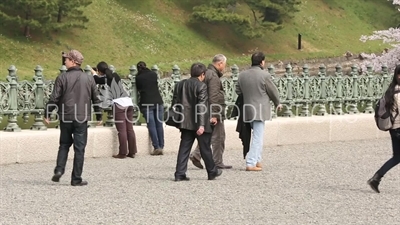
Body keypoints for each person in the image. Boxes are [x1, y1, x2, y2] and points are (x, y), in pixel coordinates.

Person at [44, 49, 103, 186]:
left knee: (64, 144)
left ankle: (59, 169)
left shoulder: (62, 78)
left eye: (67, 59)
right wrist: (99, 114)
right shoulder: (89, 78)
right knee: (80, 148)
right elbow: (96, 98)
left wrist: (48, 113)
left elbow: (54, 98)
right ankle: (76, 178)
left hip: (66, 116)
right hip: (82, 117)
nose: (65, 61)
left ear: (73, 61)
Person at [173, 62, 223, 181]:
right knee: (205, 148)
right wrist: (201, 125)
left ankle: (179, 173)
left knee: (184, 148)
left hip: (185, 123)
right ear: (202, 74)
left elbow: (175, 103)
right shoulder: (201, 86)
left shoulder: (180, 84)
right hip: (199, 122)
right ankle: (212, 171)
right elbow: (201, 106)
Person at [235, 52, 282, 171]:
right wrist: (278, 102)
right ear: (262, 62)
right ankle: (251, 162)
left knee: (255, 136)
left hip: (247, 109)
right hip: (260, 110)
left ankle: (258, 160)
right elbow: (273, 91)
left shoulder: (242, 75)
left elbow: (238, 91)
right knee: (258, 137)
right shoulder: (264, 75)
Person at [189, 54, 232, 170]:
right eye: (224, 65)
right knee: (219, 137)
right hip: (213, 111)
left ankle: (196, 155)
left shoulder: (206, 73)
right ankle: (217, 161)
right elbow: (213, 96)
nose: (225, 67)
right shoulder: (213, 76)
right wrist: (215, 114)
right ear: (220, 64)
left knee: (209, 135)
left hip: (205, 110)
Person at [91, 61, 138, 159]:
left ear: (100, 71)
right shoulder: (115, 75)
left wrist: (94, 73)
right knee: (129, 129)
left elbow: (96, 80)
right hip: (129, 103)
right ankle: (132, 152)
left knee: (122, 130)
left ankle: (122, 153)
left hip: (119, 104)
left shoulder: (105, 79)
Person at [367, 65, 400, 193]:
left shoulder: (391, 90)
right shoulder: (398, 93)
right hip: (399, 128)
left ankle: (376, 178)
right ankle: (376, 178)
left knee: (397, 157)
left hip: (394, 129)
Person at [135, 61, 164, 155]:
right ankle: (161, 145)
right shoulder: (153, 74)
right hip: (158, 101)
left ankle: (156, 147)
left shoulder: (138, 78)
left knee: (151, 125)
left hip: (146, 102)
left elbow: (139, 89)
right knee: (159, 124)